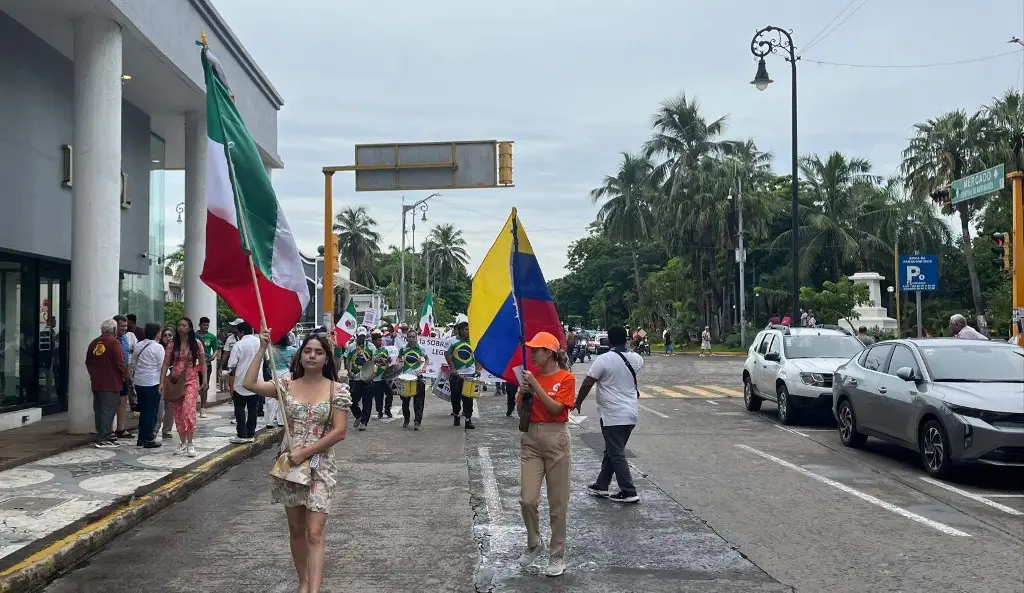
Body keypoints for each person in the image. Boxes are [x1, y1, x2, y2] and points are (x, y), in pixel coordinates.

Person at [242, 329, 350, 593]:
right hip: (290, 466)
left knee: (315, 531)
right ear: (300, 354)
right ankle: (303, 582)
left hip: (320, 466)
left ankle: (314, 590)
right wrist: (261, 348)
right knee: (296, 528)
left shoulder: (337, 389)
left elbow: (340, 431)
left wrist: (307, 451)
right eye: (308, 350)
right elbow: (249, 384)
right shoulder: (286, 384)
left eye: (319, 352)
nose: (312, 355)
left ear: (327, 358)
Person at [516, 331, 575, 577]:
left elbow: (554, 409)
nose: (531, 354)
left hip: (556, 437)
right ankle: (534, 542)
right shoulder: (531, 379)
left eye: (536, 350)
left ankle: (557, 554)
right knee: (527, 499)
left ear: (549, 352)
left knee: (558, 502)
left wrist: (537, 387)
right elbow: (521, 415)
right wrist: (523, 396)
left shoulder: (565, 379)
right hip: (531, 438)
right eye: (530, 350)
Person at [573, 326, 642, 504]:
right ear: (626, 339)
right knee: (612, 449)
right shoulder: (637, 358)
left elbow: (588, 382)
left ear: (609, 340)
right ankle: (601, 485)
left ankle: (628, 490)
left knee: (616, 451)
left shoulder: (603, 360)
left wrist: (578, 401)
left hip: (612, 414)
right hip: (631, 412)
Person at [159, 317, 207, 457]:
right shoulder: (172, 345)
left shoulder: (197, 344)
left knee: (188, 410)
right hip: (175, 381)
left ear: (190, 328)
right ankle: (183, 442)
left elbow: (203, 364)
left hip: (191, 380)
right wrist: (162, 382)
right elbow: (165, 364)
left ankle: (190, 443)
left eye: (184, 325)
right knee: (177, 413)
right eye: (179, 325)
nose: (180, 328)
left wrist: (204, 381)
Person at [85, 319, 130, 448]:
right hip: (111, 382)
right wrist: (126, 374)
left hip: (97, 382)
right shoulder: (114, 342)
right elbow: (120, 362)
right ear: (114, 330)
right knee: (108, 411)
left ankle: (104, 434)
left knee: (99, 410)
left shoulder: (94, 343)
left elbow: (88, 363)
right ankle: (103, 438)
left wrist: (93, 376)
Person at [131, 322, 165, 448]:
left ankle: (141, 437)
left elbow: (133, 363)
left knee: (144, 410)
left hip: (139, 382)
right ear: (157, 333)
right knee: (151, 412)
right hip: (152, 382)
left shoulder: (139, 345)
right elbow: (162, 366)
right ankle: (149, 438)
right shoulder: (158, 347)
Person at [228, 321, 261, 443]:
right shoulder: (259, 342)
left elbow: (231, 364)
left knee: (239, 407)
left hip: (241, 381)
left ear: (241, 332)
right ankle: (251, 433)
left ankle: (241, 434)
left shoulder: (239, 345)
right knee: (253, 408)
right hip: (257, 380)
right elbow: (266, 358)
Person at [445, 321, 477, 430]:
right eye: (466, 329)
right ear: (460, 330)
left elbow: (478, 355)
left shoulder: (473, 341)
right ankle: (456, 415)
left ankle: (468, 419)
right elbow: (447, 354)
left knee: (468, 398)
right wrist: (452, 368)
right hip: (457, 375)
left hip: (469, 373)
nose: (468, 332)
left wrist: (478, 368)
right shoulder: (451, 341)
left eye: (469, 329)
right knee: (456, 397)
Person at [397, 327, 428, 430]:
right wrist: (398, 364)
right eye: (409, 337)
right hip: (405, 379)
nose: (411, 339)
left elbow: (427, 359)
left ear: (416, 338)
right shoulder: (403, 349)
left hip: (417, 378)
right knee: (405, 402)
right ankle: (406, 418)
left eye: (413, 337)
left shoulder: (420, 348)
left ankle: (417, 422)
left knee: (418, 402)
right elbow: (398, 358)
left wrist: (423, 368)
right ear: (406, 338)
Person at [265, 334, 298, 429]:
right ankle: (281, 421)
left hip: (273, 374)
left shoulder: (270, 349)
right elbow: (293, 365)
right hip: (286, 375)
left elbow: (267, 362)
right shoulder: (293, 350)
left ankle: (269, 422)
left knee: (270, 399)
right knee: (284, 398)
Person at [112, 315, 137, 438]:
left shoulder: (126, 338)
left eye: (126, 326)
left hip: (125, 373)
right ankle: (109, 429)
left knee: (123, 400)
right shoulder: (112, 340)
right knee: (112, 402)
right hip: (114, 374)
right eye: (122, 326)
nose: (124, 328)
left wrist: (128, 372)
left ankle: (120, 428)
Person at [348, 333, 377, 431]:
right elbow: (347, 359)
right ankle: (358, 415)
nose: (361, 338)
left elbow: (374, 359)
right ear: (357, 336)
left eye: (363, 336)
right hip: (355, 378)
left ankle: (364, 422)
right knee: (352, 400)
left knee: (367, 401)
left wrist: (378, 361)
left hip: (367, 378)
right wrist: (348, 371)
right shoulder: (351, 346)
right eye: (360, 336)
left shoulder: (371, 347)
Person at [196, 316, 221, 419]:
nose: (205, 327)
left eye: (207, 325)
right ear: (200, 325)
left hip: (206, 365)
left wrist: (213, 356)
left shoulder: (212, 337)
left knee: (204, 386)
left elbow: (216, 349)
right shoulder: (194, 335)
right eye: (204, 325)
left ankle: (202, 408)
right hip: (194, 364)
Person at [370, 331, 395, 422]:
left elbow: (388, 361)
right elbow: (373, 361)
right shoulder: (372, 350)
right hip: (376, 377)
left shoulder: (384, 350)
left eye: (381, 340)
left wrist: (388, 360)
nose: (380, 342)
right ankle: (379, 411)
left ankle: (387, 409)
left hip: (384, 376)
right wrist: (381, 361)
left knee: (390, 393)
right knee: (378, 396)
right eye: (378, 340)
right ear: (373, 341)